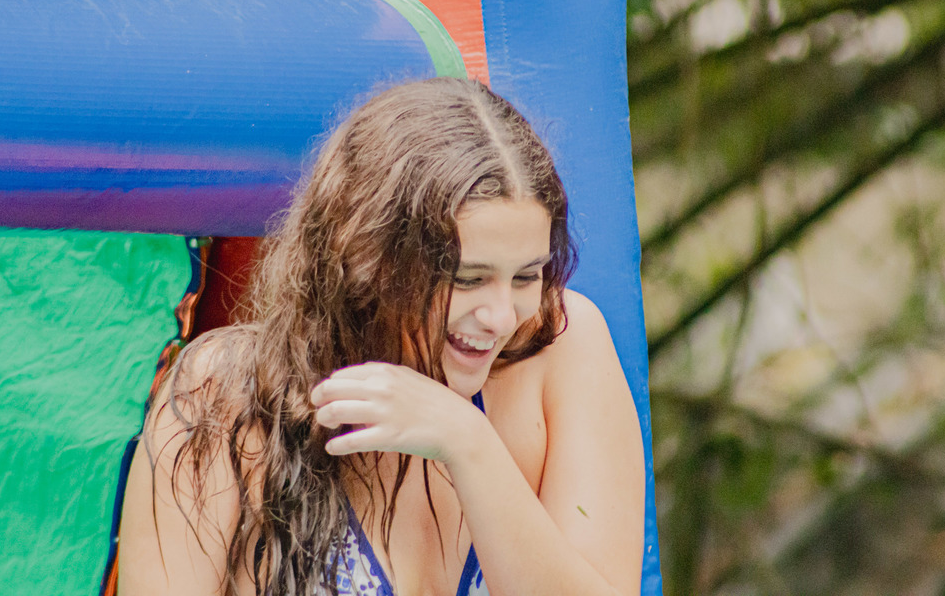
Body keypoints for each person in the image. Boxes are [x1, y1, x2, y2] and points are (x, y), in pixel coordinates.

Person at [117, 77, 644, 596]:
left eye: (526, 276)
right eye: (467, 278)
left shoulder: (563, 346)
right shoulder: (227, 397)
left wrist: (471, 444)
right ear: (370, 260)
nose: (502, 317)